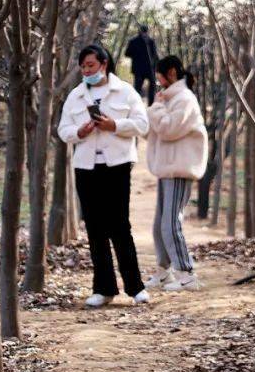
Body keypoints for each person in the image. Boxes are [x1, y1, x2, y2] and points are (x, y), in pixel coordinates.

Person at [57, 43, 151, 308]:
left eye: (91, 65)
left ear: (104, 64)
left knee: (120, 226)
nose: (87, 70)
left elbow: (142, 124)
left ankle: (135, 287)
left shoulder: (125, 91)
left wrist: (114, 125)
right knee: (95, 228)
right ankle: (103, 287)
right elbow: (63, 130)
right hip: (86, 167)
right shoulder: (75, 96)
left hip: (117, 166)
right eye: (83, 66)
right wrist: (80, 132)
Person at [144, 54, 208, 293]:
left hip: (179, 169)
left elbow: (169, 129)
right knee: (160, 224)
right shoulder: (171, 99)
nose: (158, 82)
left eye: (160, 76)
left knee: (171, 223)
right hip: (166, 169)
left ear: (171, 73)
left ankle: (186, 273)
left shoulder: (184, 99)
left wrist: (157, 108)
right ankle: (164, 271)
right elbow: (156, 129)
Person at [124, 22, 159, 104]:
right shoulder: (134, 41)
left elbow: (155, 55)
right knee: (137, 88)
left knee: (151, 87)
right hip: (139, 69)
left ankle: (151, 104)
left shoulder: (150, 41)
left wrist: (157, 65)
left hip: (149, 68)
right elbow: (127, 53)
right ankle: (135, 104)